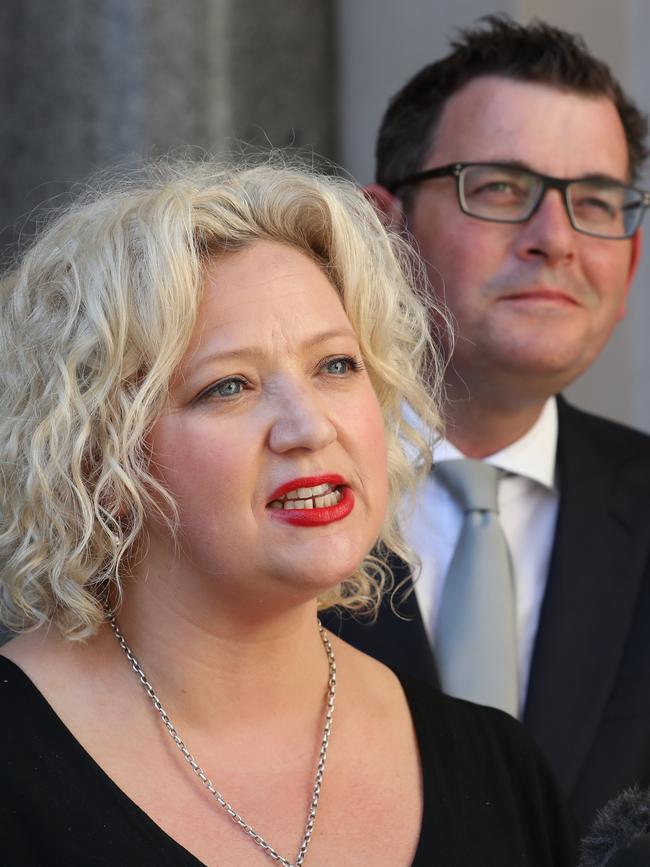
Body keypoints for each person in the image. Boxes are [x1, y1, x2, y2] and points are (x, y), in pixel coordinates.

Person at [0, 158, 576, 865]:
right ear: (100, 460)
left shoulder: (500, 770)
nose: (308, 426)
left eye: (336, 365)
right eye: (229, 385)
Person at [323, 14, 650, 834]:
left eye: (598, 201)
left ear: (632, 259)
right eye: (501, 187)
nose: (557, 239)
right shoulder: (249, 497)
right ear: (383, 229)